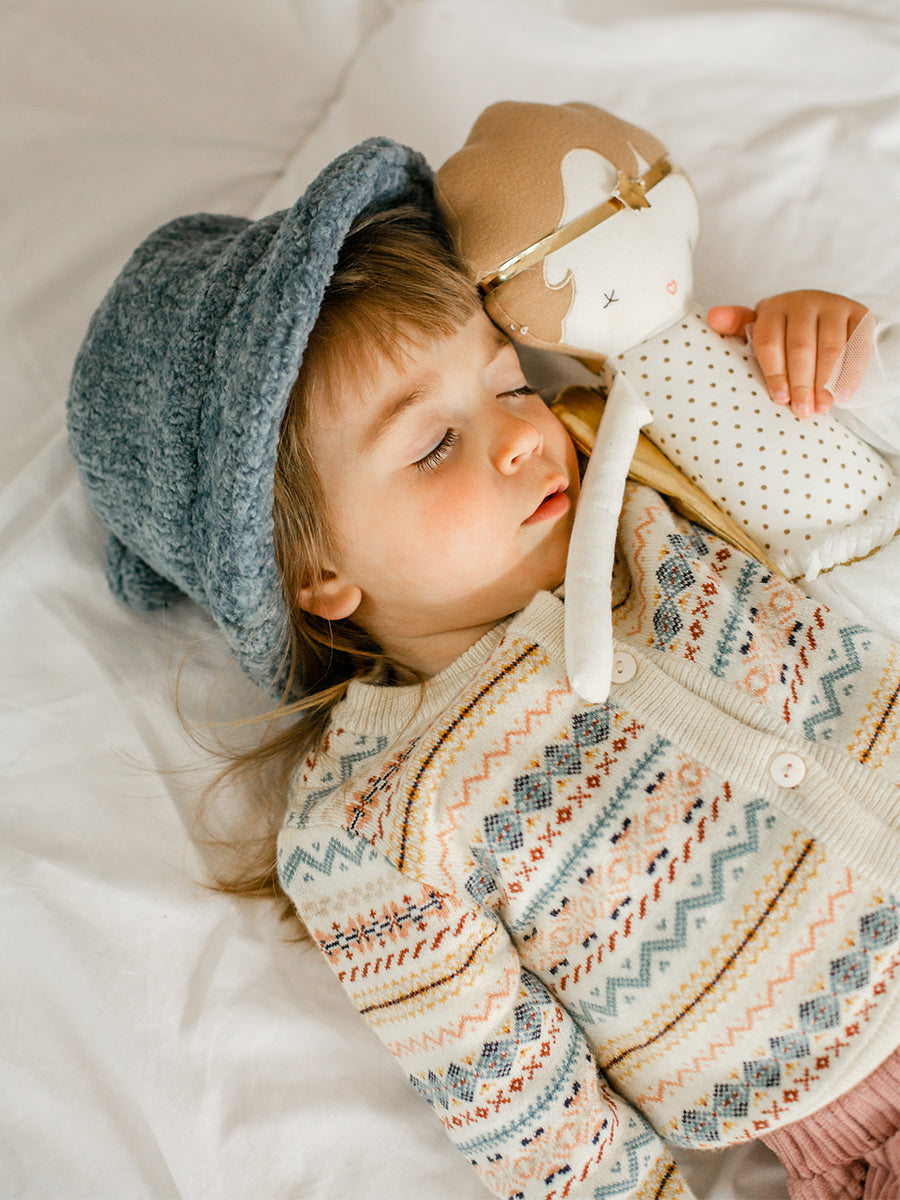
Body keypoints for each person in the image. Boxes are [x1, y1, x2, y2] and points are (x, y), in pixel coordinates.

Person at [67, 136, 900, 1200]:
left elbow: (857, 514)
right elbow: (542, 1132)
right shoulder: (378, 821)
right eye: (432, 446)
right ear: (315, 575)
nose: (520, 436)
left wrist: (827, 359)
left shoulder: (651, 491)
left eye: (509, 383)